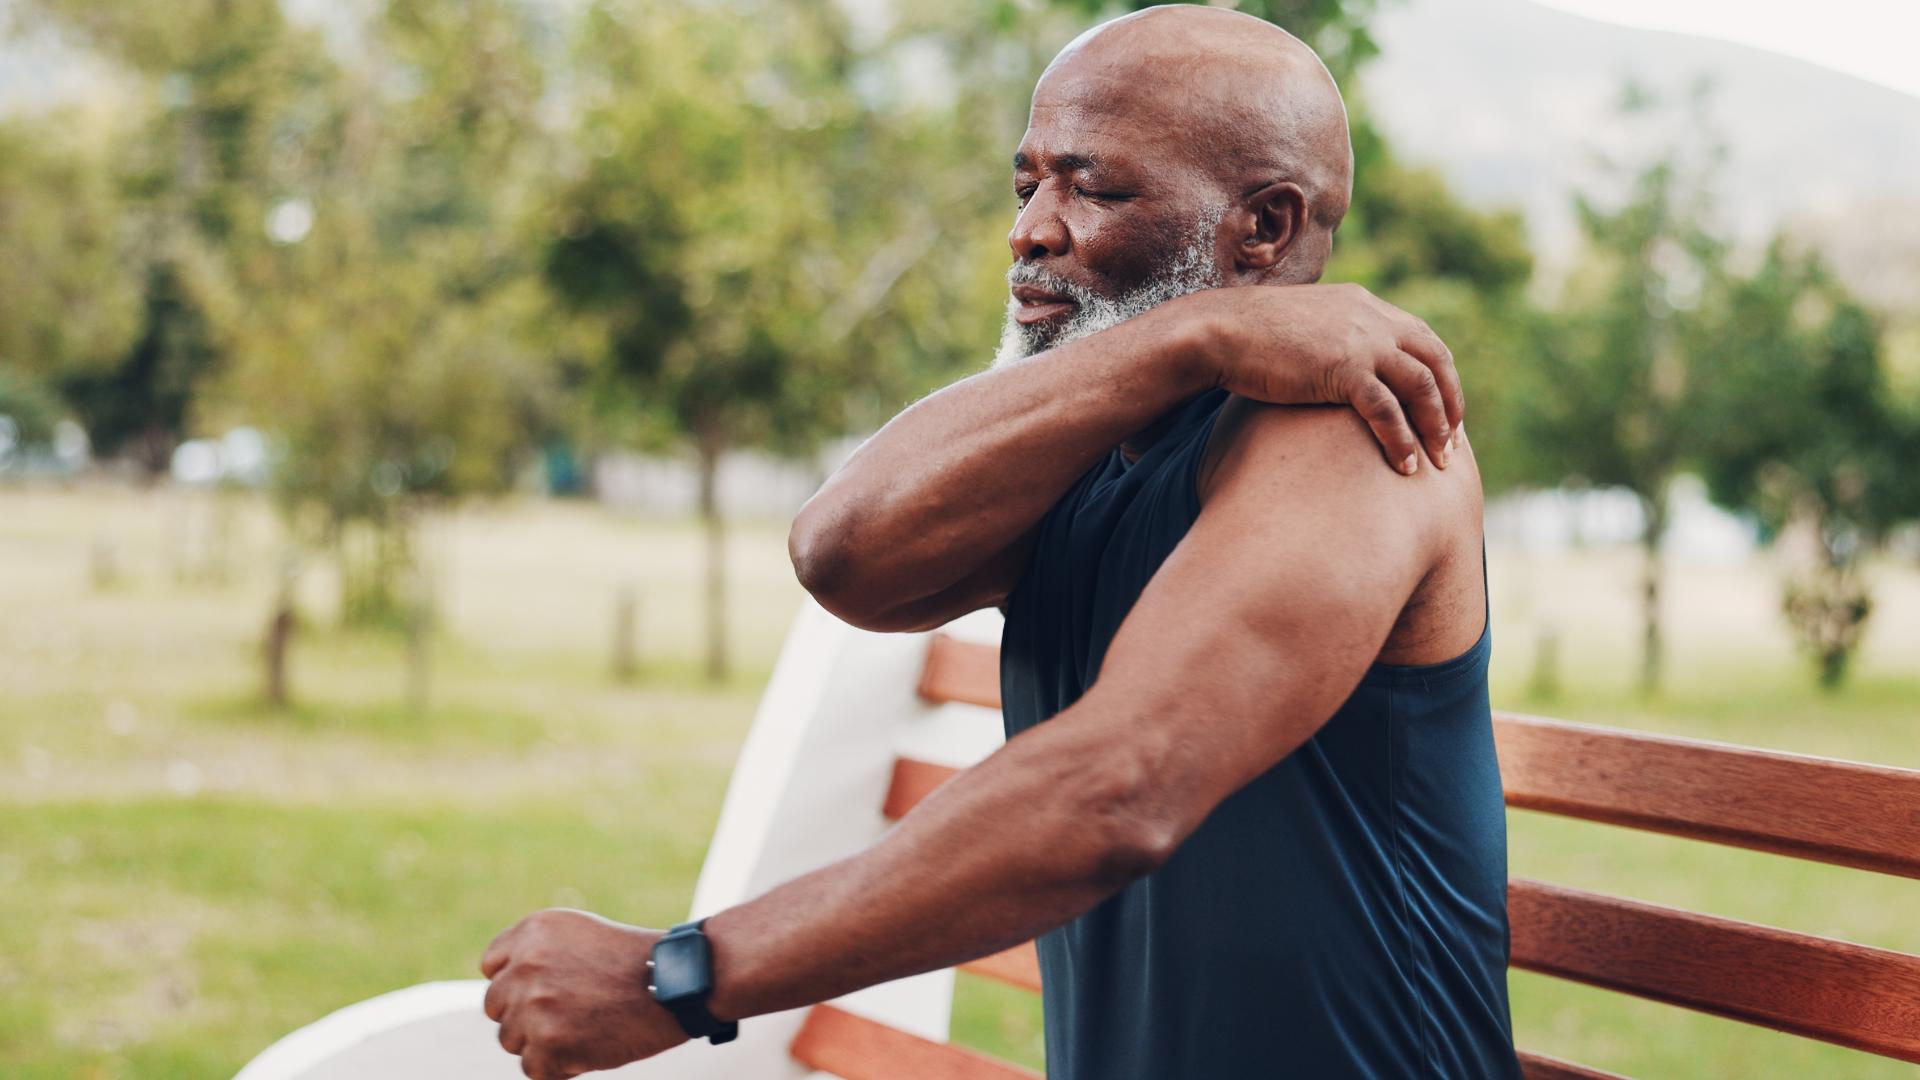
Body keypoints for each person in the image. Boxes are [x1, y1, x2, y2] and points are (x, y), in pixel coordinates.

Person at [480, 6, 1520, 1078]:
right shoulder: (1100, 442)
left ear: (1262, 229)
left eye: (1095, 187)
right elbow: (842, 555)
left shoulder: (1353, 436)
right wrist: (1191, 332)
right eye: (1026, 186)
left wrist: (679, 977)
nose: (1031, 228)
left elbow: (1119, 790)